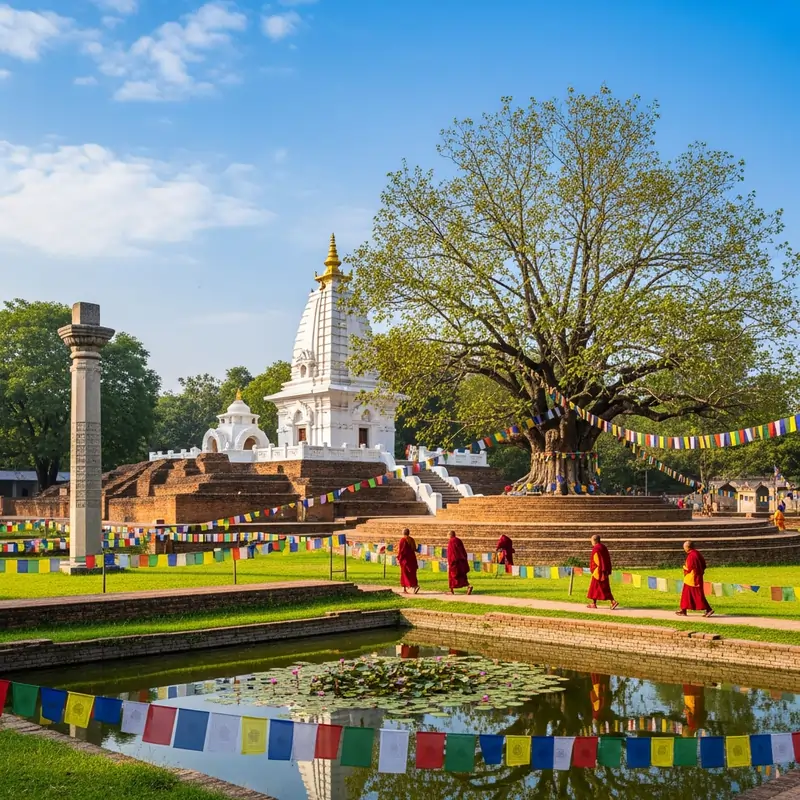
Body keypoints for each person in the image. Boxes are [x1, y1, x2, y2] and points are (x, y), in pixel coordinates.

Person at [677, 540, 713, 617]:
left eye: (684, 547)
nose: (684, 549)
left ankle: (709, 609)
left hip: (693, 579)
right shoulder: (697, 553)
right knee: (686, 594)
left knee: (698, 595)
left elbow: (689, 568)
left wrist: (684, 567)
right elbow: (703, 564)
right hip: (695, 577)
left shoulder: (691, 556)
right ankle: (683, 610)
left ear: (687, 547)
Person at [586, 534, 618, 610]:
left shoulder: (596, 549)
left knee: (600, 588)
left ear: (594, 541)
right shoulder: (603, 547)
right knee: (598, 588)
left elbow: (597, 561)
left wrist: (596, 570)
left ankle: (613, 601)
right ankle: (594, 603)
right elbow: (607, 559)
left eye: (591, 541)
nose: (591, 542)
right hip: (604, 570)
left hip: (599, 572)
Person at [446, 530, 472, 594]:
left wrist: (450, 563)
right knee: (462, 576)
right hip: (461, 562)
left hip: (454, 562)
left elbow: (451, 554)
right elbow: (463, 551)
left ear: (450, 535)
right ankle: (469, 586)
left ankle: (451, 591)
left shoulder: (451, 541)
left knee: (452, 577)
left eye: (447, 535)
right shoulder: (458, 540)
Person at [397, 528, 420, 594]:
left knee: (405, 574)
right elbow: (415, 549)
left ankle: (408, 587)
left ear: (403, 533)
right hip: (412, 559)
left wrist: (399, 558)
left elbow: (402, 551)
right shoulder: (412, 539)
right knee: (412, 574)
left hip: (405, 560)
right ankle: (414, 585)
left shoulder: (403, 540)